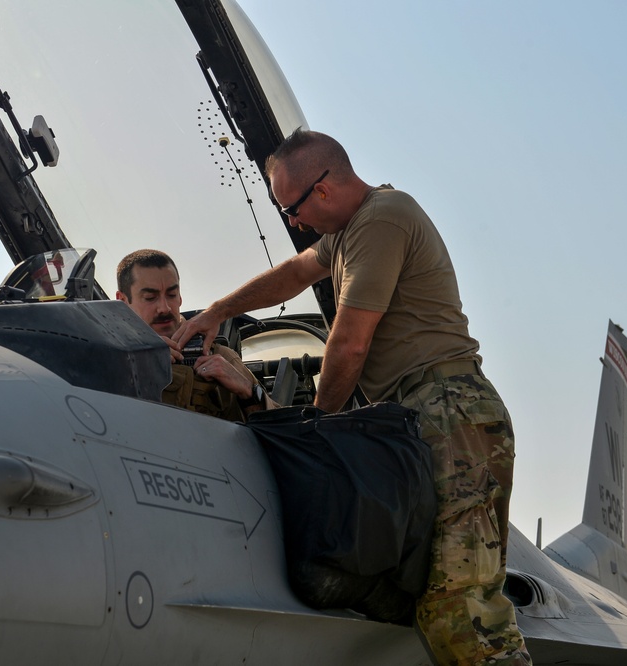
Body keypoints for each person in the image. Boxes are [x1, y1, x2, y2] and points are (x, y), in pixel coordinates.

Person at [173, 129, 531, 665]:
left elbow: (349, 341)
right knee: (410, 595)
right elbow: (294, 274)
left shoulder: (383, 217)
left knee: (463, 608)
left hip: (450, 411)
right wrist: (219, 310)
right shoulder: (346, 233)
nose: (292, 223)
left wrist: (317, 429)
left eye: (291, 208)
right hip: (413, 419)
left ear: (322, 190)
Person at [116, 249, 272, 420]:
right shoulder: (109, 359)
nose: (165, 308)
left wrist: (248, 391)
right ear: (123, 301)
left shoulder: (220, 356)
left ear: (180, 297)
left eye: (171, 295)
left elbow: (282, 430)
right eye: (150, 297)